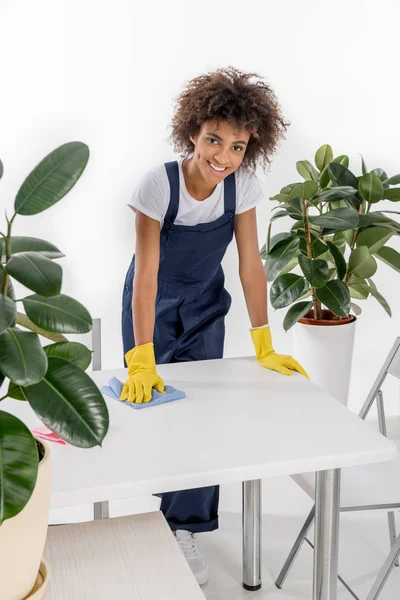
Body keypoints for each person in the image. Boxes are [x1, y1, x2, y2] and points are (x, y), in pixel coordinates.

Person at [121, 67, 308, 585]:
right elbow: (147, 273)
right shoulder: (158, 184)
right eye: (213, 140)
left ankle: (184, 527)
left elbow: (250, 265)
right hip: (150, 309)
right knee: (157, 413)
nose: (224, 157)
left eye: (239, 146)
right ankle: (149, 517)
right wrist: (141, 356)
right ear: (192, 132)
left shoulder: (242, 187)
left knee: (203, 418)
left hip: (207, 309)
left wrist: (264, 342)